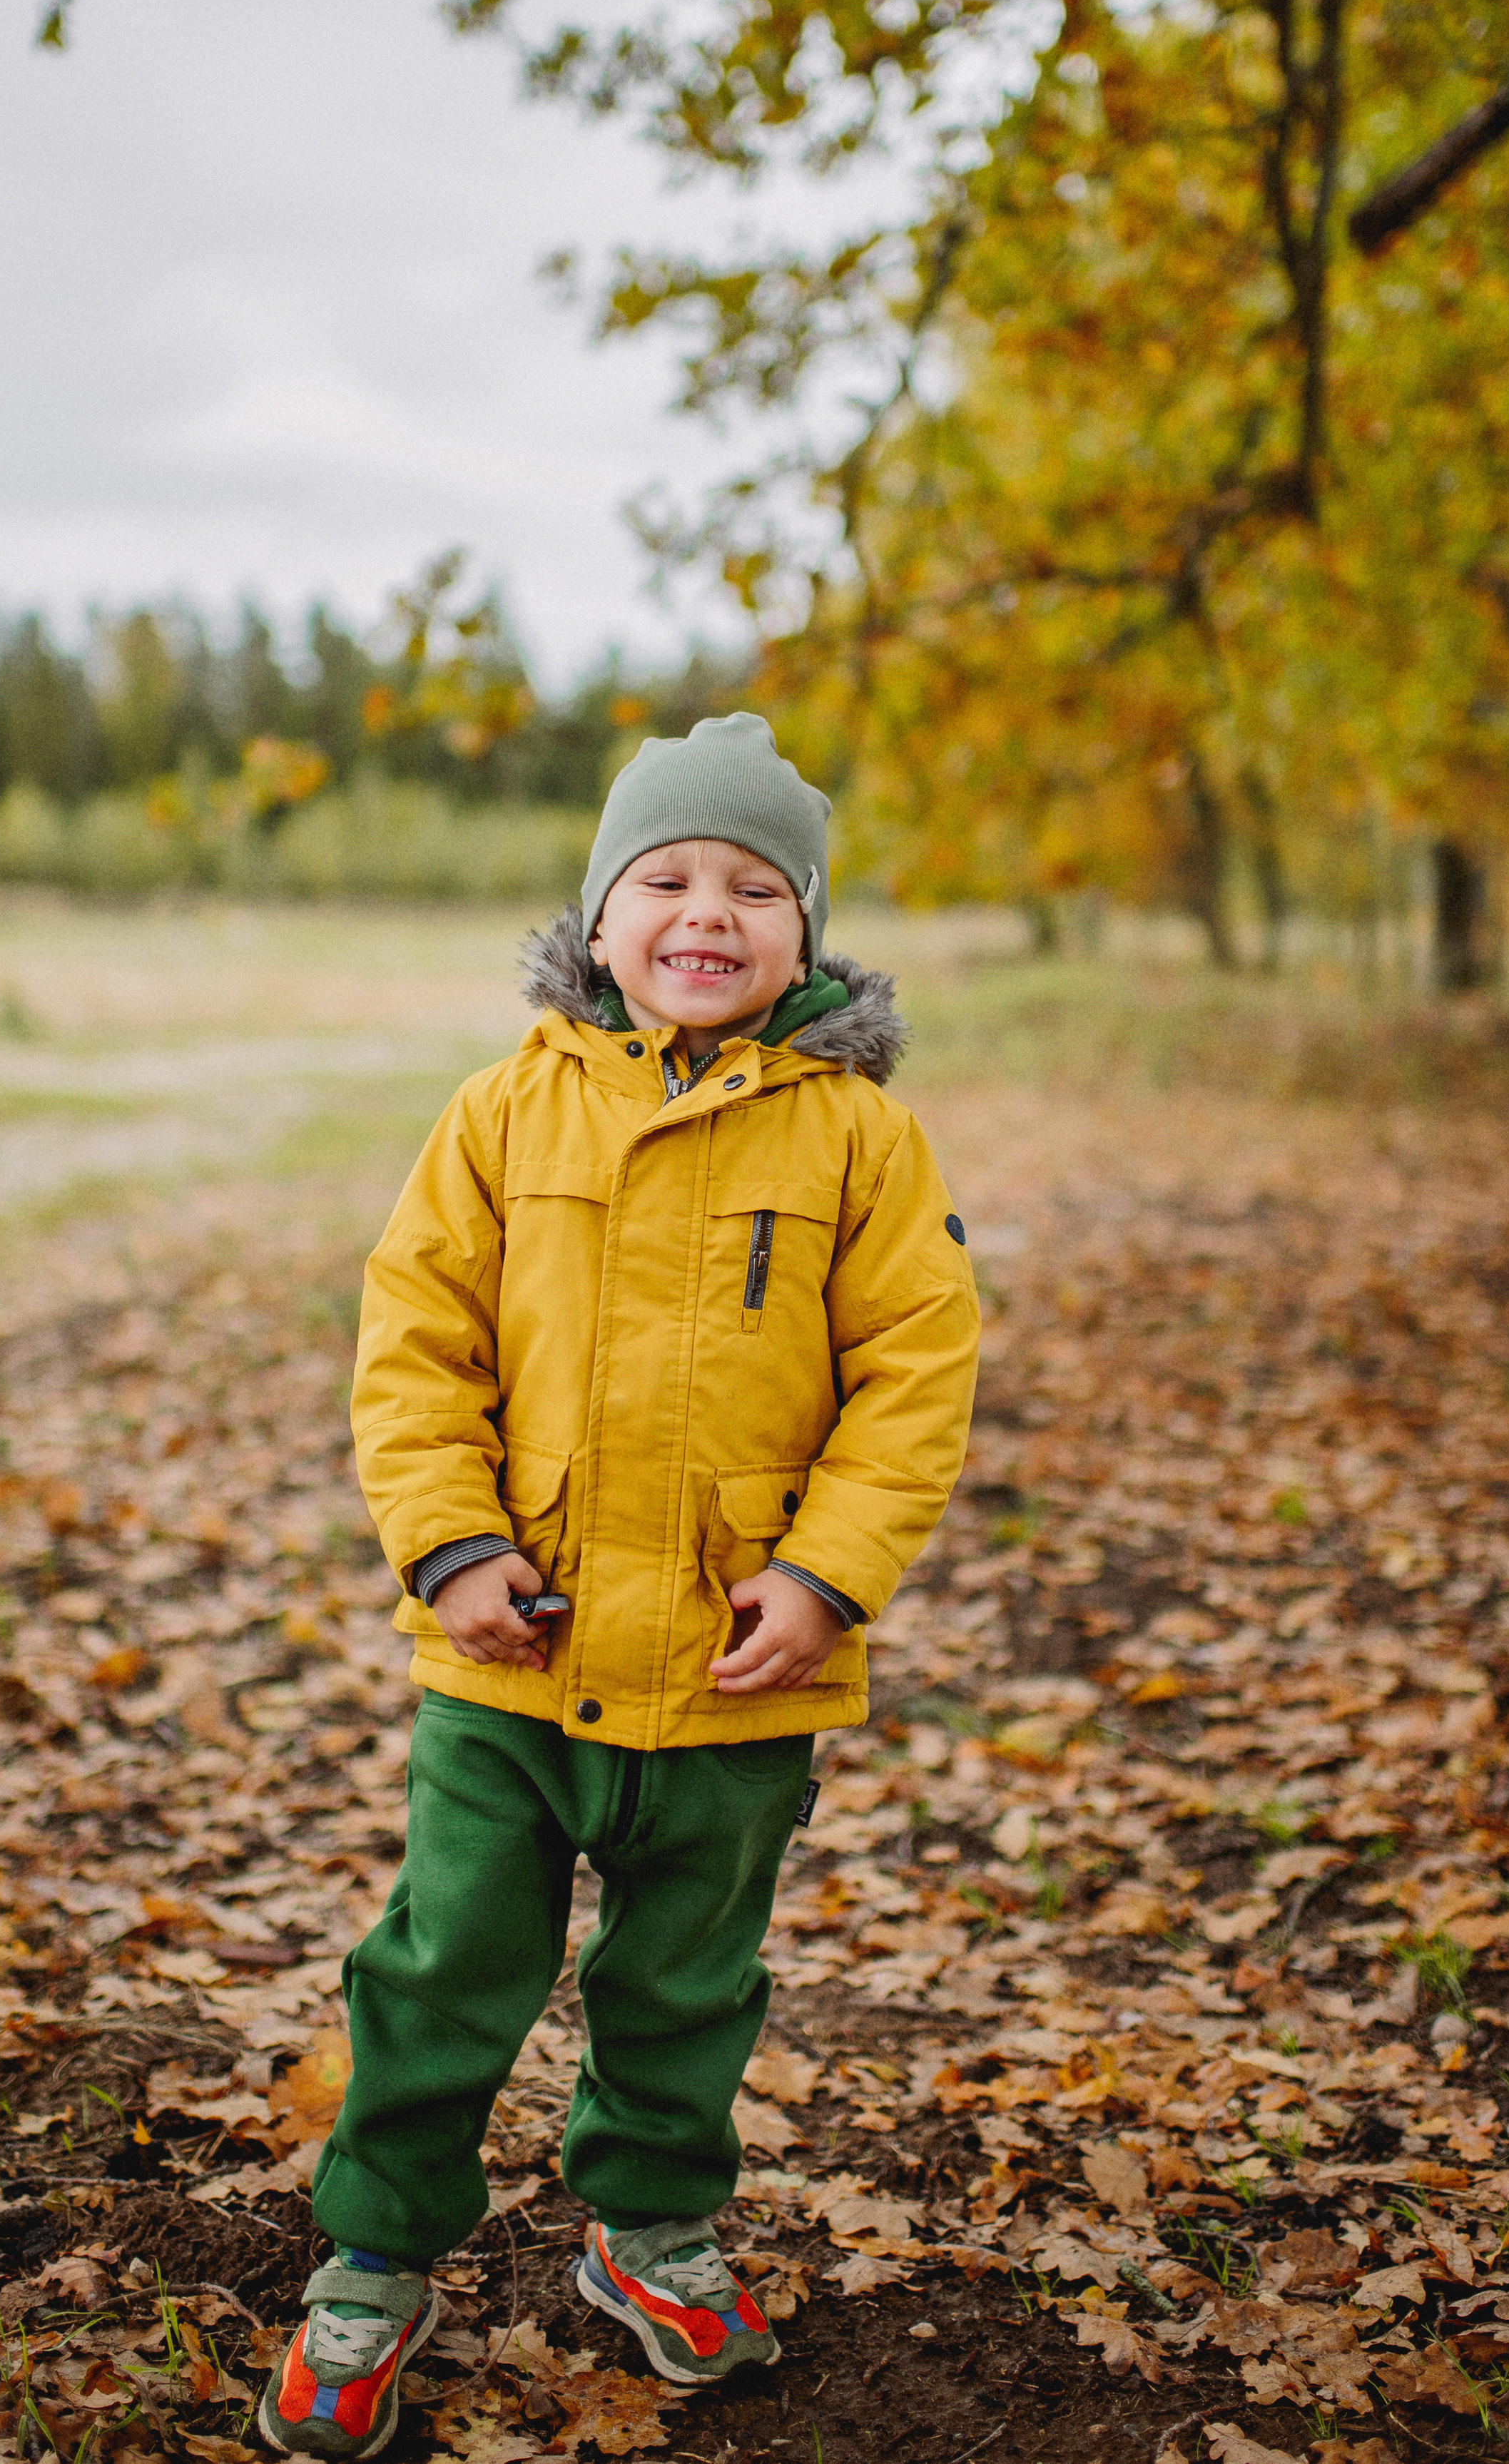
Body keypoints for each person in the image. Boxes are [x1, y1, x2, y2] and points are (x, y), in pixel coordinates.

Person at [260, 712, 980, 2461]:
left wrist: (825, 1576)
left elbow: (915, 1371)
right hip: (510, 1658)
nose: (703, 912)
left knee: (684, 1979)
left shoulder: (858, 1143)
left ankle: (649, 2227)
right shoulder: (503, 1112)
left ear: (807, 932)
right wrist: (449, 1546)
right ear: (598, 921)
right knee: (445, 1965)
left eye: (752, 885)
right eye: (662, 877)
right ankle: (373, 2253)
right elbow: (413, 1348)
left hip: (738, 1670)